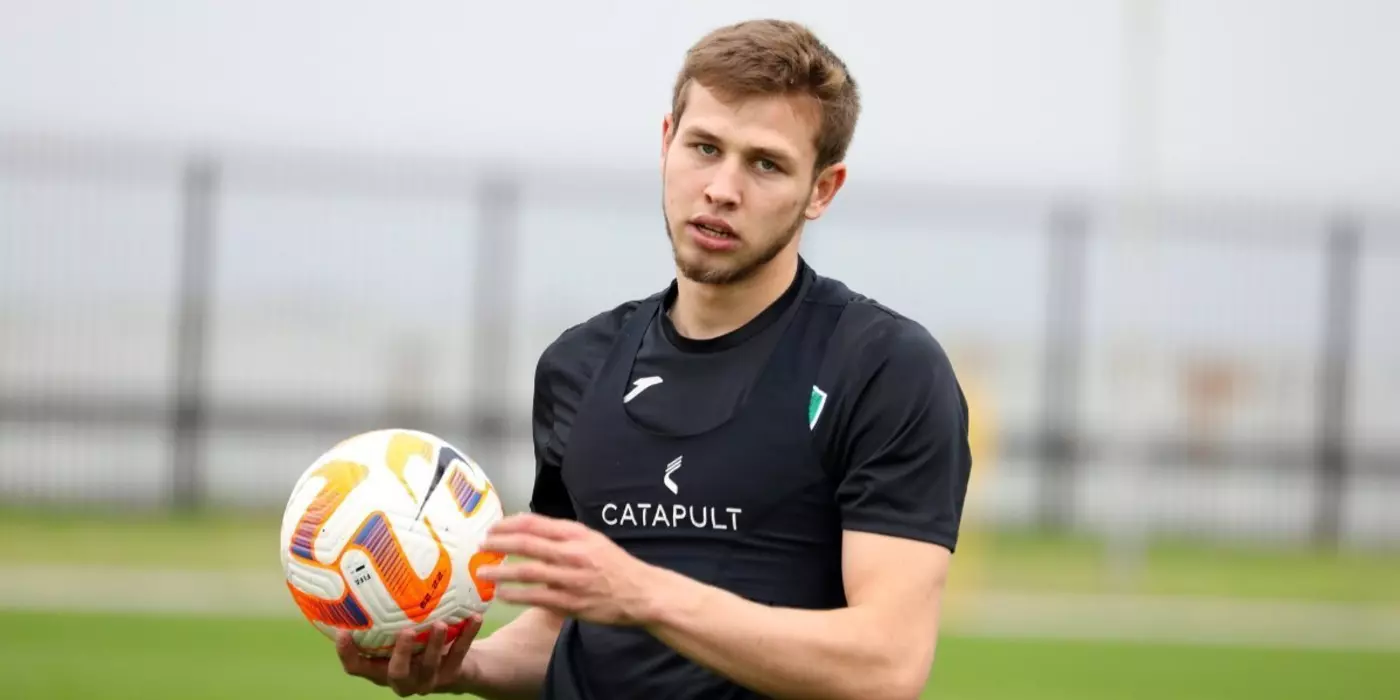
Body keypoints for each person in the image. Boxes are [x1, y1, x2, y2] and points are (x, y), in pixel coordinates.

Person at [337, 18, 973, 700]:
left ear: (823, 189)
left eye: (766, 163)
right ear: (667, 142)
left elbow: (885, 665)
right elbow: (565, 628)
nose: (722, 188)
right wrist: (469, 667)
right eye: (705, 148)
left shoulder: (883, 369)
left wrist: (646, 595)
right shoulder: (578, 365)